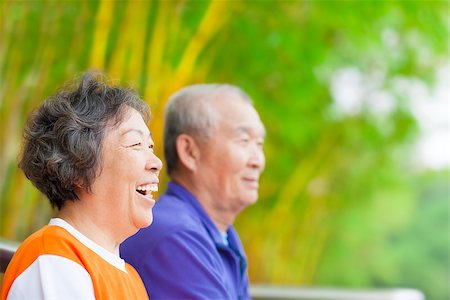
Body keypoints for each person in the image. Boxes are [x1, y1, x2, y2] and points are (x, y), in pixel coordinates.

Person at [0, 72, 163, 300]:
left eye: (151, 146)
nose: (157, 163)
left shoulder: (130, 277)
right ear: (78, 167)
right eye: (136, 144)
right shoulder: (53, 259)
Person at [121, 84, 266, 299]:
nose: (258, 161)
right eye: (244, 141)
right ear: (189, 151)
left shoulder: (223, 235)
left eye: (260, 144)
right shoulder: (175, 237)